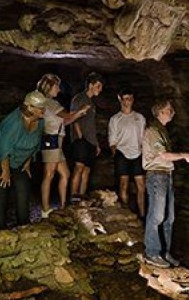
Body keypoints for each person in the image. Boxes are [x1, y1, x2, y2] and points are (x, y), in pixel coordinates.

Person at [142, 99, 189, 268]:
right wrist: (184, 155)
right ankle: (152, 252)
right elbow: (163, 155)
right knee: (157, 215)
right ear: (160, 112)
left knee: (169, 218)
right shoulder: (153, 130)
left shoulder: (162, 130)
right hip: (157, 175)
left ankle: (164, 252)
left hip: (166, 175)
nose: (172, 112)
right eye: (169, 110)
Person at [0, 90, 47, 230]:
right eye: (40, 108)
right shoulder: (15, 122)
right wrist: (5, 170)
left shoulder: (40, 121)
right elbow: (4, 147)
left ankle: (24, 225)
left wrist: (28, 162)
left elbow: (36, 143)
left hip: (17, 159)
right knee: (2, 185)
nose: (44, 110)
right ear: (30, 107)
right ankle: (0, 230)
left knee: (23, 186)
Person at [36, 74, 90, 218]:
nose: (58, 90)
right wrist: (80, 111)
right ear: (49, 87)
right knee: (49, 174)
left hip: (57, 141)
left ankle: (62, 206)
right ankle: (45, 210)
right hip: (51, 140)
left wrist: (79, 114)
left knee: (65, 174)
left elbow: (65, 121)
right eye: (56, 86)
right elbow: (66, 116)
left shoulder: (50, 103)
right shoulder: (49, 103)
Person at [108, 86, 147, 217]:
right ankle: (126, 215)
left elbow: (143, 137)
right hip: (122, 153)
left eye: (130, 98)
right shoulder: (115, 119)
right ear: (120, 100)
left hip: (137, 153)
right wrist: (115, 153)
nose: (127, 101)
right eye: (125, 99)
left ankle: (142, 215)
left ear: (133, 100)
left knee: (141, 186)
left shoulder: (140, 118)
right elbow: (112, 139)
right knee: (123, 184)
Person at [69, 72, 104, 200]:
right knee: (79, 167)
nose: (100, 89)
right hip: (81, 140)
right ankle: (74, 197)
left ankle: (82, 197)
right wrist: (80, 138)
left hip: (90, 142)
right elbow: (74, 118)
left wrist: (96, 144)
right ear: (90, 85)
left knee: (87, 170)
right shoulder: (79, 98)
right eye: (98, 86)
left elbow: (91, 125)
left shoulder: (92, 103)